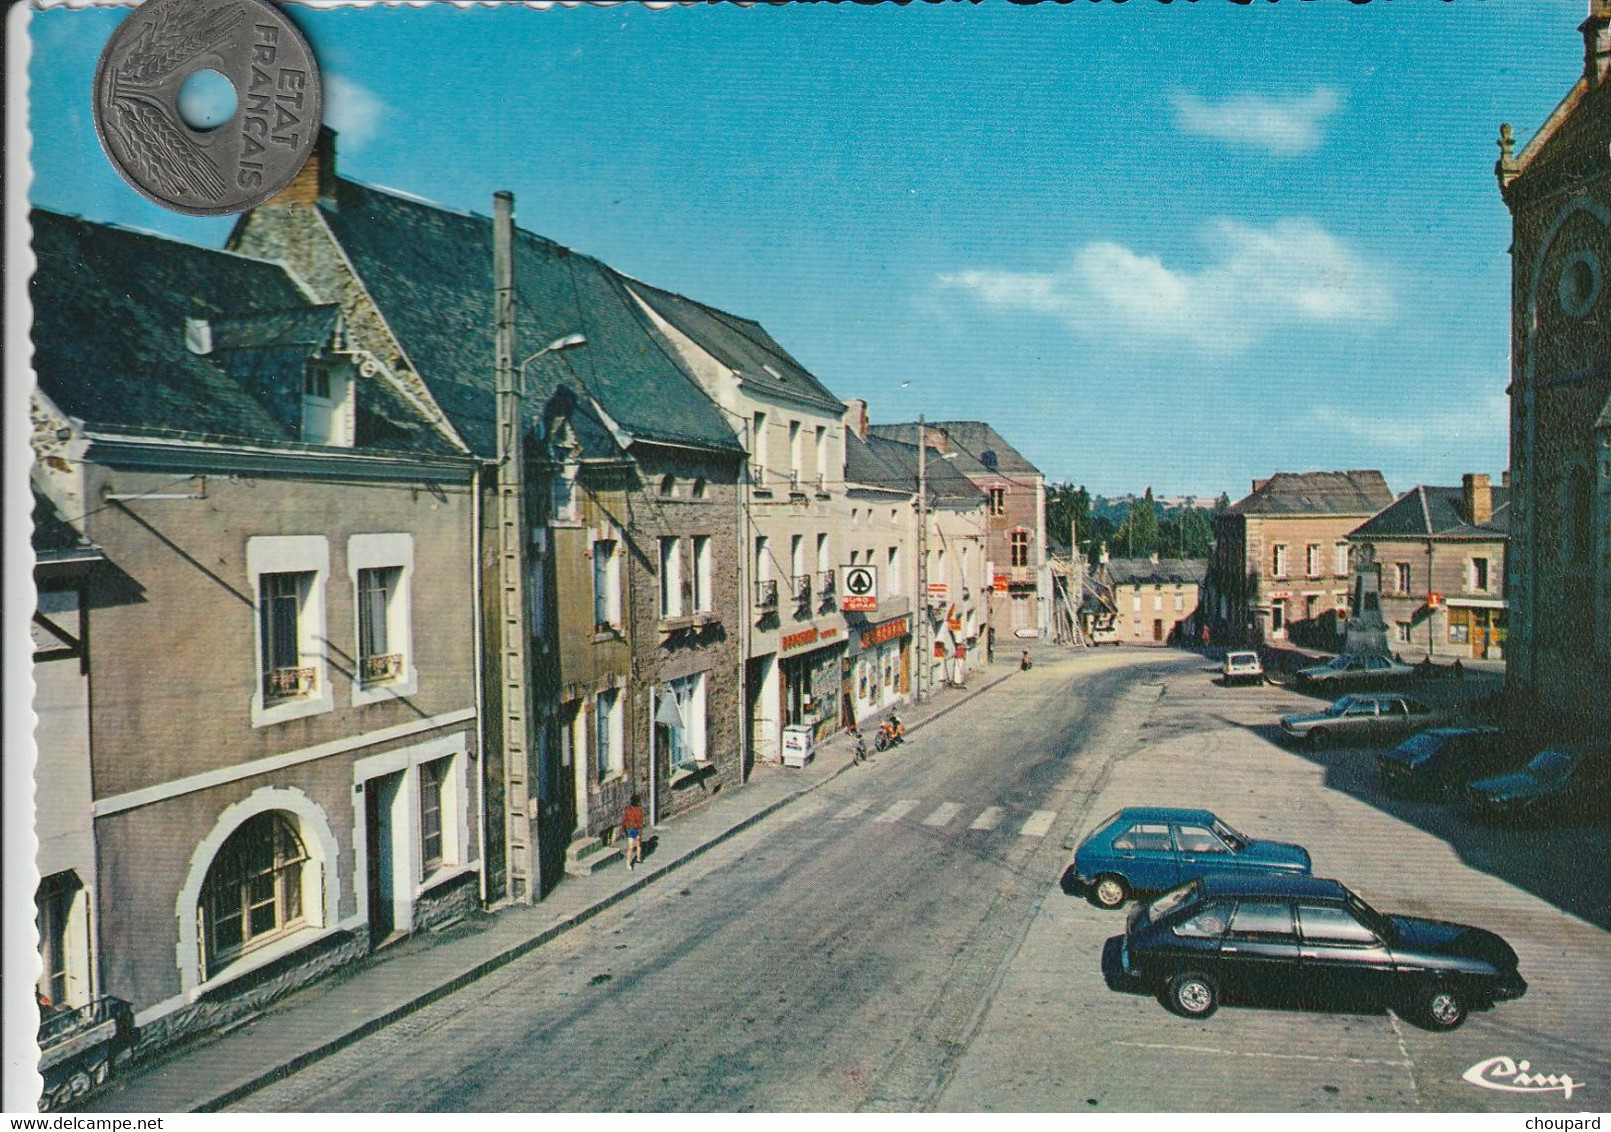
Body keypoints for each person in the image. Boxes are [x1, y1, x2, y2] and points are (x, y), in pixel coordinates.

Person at [622, 794, 645, 870]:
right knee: (635, 846)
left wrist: (624, 829)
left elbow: (624, 821)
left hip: (633, 829)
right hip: (634, 829)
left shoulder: (629, 810)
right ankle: (634, 859)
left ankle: (634, 860)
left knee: (633, 846)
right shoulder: (638, 810)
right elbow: (641, 821)